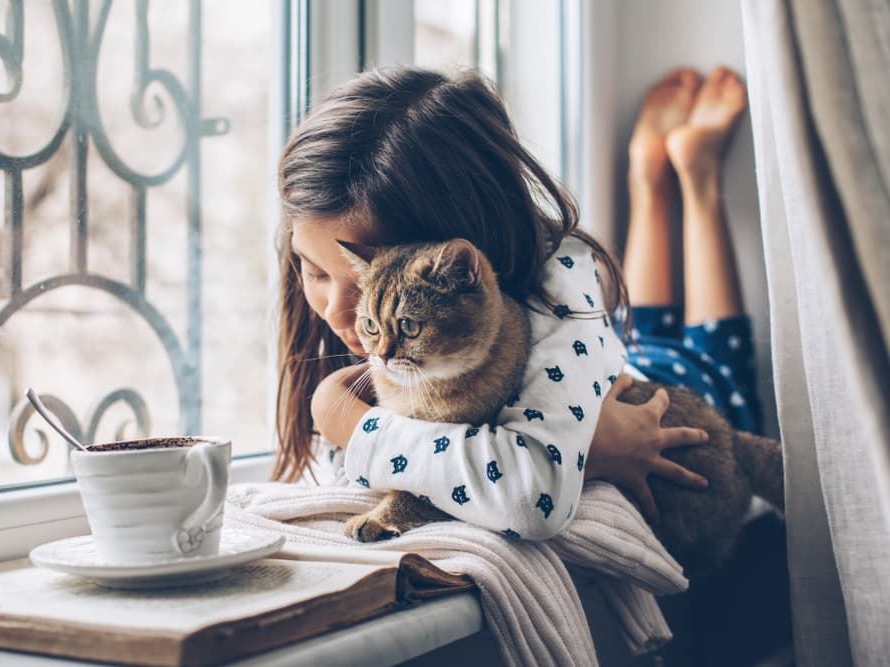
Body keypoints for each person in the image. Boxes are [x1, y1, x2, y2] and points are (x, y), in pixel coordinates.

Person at [273, 66, 711, 540]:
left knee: (696, 348)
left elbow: (532, 498)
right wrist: (588, 449)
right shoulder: (373, 315)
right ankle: (654, 179)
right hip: (614, 343)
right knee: (648, 322)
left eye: (365, 287)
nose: (342, 314)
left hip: (673, 392)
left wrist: (349, 421)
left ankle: (684, 181)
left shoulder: (561, 280)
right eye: (315, 272)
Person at [621, 66, 761, 434]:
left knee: (724, 381)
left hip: (684, 408)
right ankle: (649, 182)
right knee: (641, 347)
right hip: (624, 372)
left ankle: (697, 181)